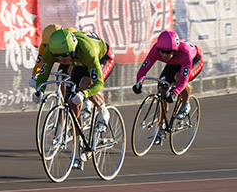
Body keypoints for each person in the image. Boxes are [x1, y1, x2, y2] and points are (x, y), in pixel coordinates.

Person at [34, 28, 115, 169]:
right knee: (72, 103)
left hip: (102, 57)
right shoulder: (52, 51)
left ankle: (103, 110)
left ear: (71, 50)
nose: (60, 60)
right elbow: (44, 72)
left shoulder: (87, 51)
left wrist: (84, 94)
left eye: (64, 56)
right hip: (78, 62)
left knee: (85, 84)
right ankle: (78, 148)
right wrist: (39, 90)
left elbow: (98, 84)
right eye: (57, 57)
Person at [132, 30, 203, 142]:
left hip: (193, 60)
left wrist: (174, 93)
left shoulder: (185, 53)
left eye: (168, 52)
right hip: (174, 61)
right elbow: (143, 69)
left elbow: (183, 80)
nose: (164, 55)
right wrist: (139, 83)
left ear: (174, 50)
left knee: (179, 77)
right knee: (162, 86)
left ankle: (186, 104)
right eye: (162, 51)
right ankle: (162, 125)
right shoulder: (156, 50)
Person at [29, 24, 75, 88]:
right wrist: (34, 77)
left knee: (74, 74)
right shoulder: (43, 46)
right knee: (60, 78)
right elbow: (40, 65)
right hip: (64, 60)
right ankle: (65, 97)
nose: (49, 49)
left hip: (75, 58)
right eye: (46, 46)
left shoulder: (71, 34)